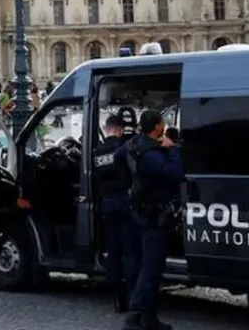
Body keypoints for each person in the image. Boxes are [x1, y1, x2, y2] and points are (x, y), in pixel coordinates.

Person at [118, 108, 183, 330]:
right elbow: (175, 173)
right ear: (157, 126)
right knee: (152, 267)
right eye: (162, 122)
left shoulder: (133, 145)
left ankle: (148, 317)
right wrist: (172, 149)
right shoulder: (152, 152)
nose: (164, 125)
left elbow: (117, 160)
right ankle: (136, 313)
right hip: (154, 216)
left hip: (138, 212)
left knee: (147, 264)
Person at [92, 114, 133, 312]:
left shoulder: (97, 152)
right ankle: (134, 294)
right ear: (120, 130)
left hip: (107, 204)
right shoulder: (125, 148)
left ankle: (118, 298)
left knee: (113, 253)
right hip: (125, 202)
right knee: (131, 250)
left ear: (107, 129)